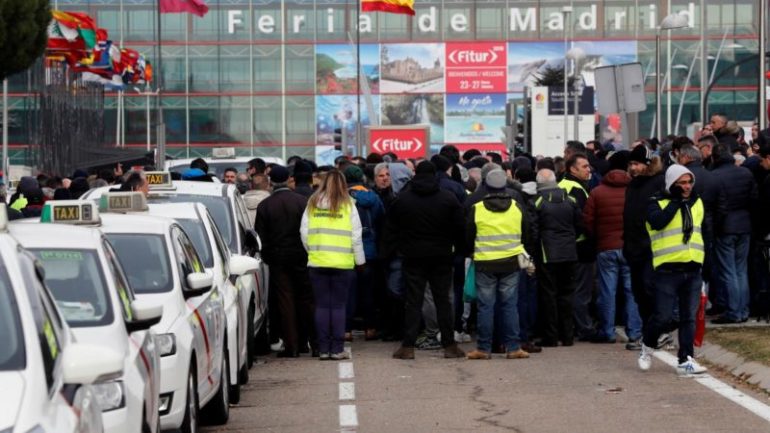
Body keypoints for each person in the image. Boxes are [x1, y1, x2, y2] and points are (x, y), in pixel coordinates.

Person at [385, 161, 466, 360]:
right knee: (443, 301)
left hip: (412, 256)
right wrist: (459, 252)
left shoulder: (403, 199)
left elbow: (391, 229)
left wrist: (392, 251)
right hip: (442, 256)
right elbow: (460, 228)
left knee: (413, 301)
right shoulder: (448, 198)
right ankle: (449, 345)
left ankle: (408, 346)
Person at [637, 165, 708, 376]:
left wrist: (707, 262)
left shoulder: (697, 202)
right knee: (663, 317)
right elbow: (658, 223)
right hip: (667, 269)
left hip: (693, 267)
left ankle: (686, 359)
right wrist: (676, 202)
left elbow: (703, 231)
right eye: (682, 183)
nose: (686, 187)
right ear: (671, 184)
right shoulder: (655, 203)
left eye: (689, 182)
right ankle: (647, 345)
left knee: (688, 317)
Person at [465, 169, 532, 360]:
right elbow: (527, 234)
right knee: (510, 305)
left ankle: (484, 348)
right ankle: (513, 347)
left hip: (485, 262)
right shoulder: (517, 207)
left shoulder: (477, 208)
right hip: (511, 262)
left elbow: (468, 237)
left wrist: (472, 252)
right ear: (505, 185)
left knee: (486, 307)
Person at [300, 170, 365, 360]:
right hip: (342, 263)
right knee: (337, 307)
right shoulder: (349, 206)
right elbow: (356, 237)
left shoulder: (312, 203)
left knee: (321, 306)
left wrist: (313, 250)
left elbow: (304, 232)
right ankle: (336, 349)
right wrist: (360, 261)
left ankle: (323, 348)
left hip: (318, 261)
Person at [583, 151, 642, 348]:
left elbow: (588, 221)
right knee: (632, 291)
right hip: (629, 247)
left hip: (605, 247)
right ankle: (634, 331)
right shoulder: (634, 191)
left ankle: (607, 331)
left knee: (607, 291)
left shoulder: (597, 192)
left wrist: (597, 238)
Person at [256, 165, 316, 358]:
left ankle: (291, 346)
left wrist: (267, 256)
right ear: (289, 179)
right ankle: (313, 343)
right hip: (302, 255)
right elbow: (310, 230)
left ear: (270, 180)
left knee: (285, 300)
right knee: (306, 299)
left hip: (278, 258)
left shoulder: (265, 205)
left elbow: (260, 237)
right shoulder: (302, 202)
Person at [532, 169, 582, 347]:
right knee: (567, 294)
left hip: (548, 254)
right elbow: (579, 225)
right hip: (569, 252)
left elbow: (534, 231)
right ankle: (568, 335)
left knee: (548, 295)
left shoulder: (537, 201)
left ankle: (551, 337)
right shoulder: (571, 200)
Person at [710, 143, 757, 324]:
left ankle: (733, 311)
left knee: (728, 271)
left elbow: (717, 206)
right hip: (744, 225)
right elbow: (753, 200)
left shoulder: (715, 176)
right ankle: (743, 310)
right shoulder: (745, 173)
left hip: (725, 228)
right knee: (741, 270)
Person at [623, 145, 665, 328]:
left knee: (650, 289)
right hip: (633, 246)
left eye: (637, 163)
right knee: (638, 291)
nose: (633, 167)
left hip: (651, 246)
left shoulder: (658, 182)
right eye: (631, 163)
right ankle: (649, 329)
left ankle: (658, 328)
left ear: (647, 164)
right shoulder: (633, 185)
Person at [343, 165, 385, 341]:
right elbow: (381, 219)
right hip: (369, 249)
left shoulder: (343, 198)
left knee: (347, 290)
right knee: (368, 290)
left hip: (346, 249)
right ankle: (370, 328)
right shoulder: (373, 197)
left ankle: (346, 329)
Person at [558, 153, 596, 340]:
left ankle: (569, 327)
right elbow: (582, 220)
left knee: (567, 290)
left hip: (563, 246)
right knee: (581, 291)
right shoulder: (576, 189)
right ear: (573, 169)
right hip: (580, 246)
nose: (589, 170)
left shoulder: (561, 186)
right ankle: (584, 328)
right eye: (584, 167)